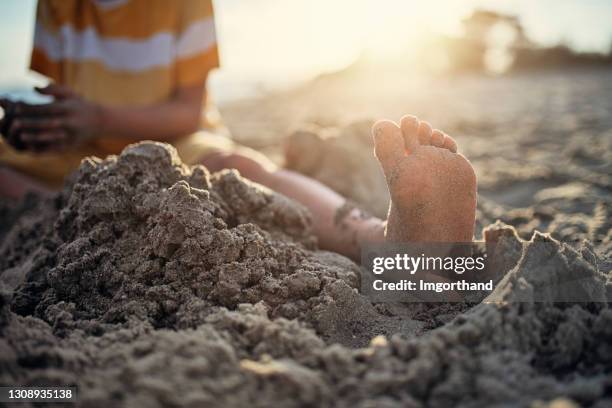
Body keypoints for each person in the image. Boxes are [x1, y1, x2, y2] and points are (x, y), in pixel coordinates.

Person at [0, 0, 477, 262]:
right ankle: (64, 211)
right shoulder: (57, 5)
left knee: (241, 167)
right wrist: (39, 128)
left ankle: (382, 238)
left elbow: (187, 111)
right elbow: (61, 102)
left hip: (175, 139)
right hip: (78, 154)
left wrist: (99, 119)